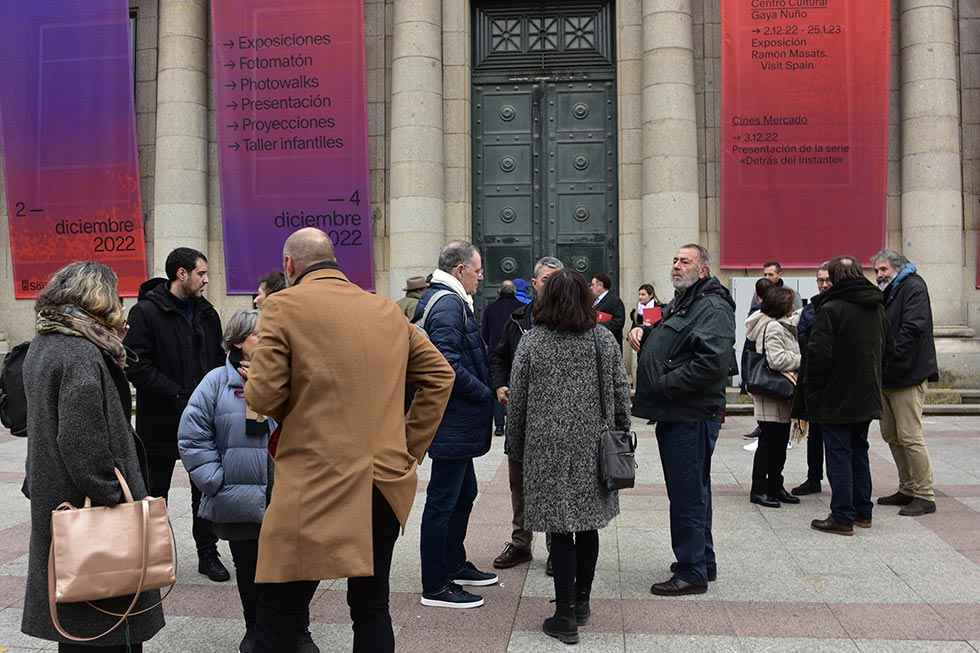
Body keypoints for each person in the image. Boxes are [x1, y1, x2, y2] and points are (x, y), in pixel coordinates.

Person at [245, 228, 454, 652]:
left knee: (281, 606)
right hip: (381, 480)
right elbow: (440, 376)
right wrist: (407, 447)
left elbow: (263, 397)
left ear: (289, 266)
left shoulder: (283, 306)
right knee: (371, 605)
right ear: (335, 261)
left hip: (314, 480)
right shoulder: (385, 310)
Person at [21, 262, 165, 652]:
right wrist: (115, 499)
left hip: (58, 498)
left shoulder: (44, 344)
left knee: (79, 618)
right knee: (106, 620)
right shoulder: (81, 353)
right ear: (97, 298)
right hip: (89, 511)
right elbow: (81, 442)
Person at [178, 310, 316, 653]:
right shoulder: (215, 383)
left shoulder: (289, 378)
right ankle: (254, 629)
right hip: (240, 497)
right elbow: (192, 437)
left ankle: (299, 630)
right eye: (259, 335)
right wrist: (216, 480)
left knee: (298, 566)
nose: (269, 340)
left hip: (287, 492)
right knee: (249, 568)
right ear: (238, 342)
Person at [506, 269, 629, 644]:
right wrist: (621, 430)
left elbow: (518, 403)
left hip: (546, 450)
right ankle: (581, 603)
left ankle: (563, 616)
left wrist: (515, 447)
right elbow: (622, 391)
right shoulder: (602, 340)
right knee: (588, 524)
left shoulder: (532, 343)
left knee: (559, 530)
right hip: (593, 447)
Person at [629, 244, 736, 595]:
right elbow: (675, 342)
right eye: (674, 260)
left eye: (684, 261)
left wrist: (663, 384)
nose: (676, 266)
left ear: (703, 269)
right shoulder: (686, 302)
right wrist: (643, 335)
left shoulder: (712, 306)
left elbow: (711, 362)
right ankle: (702, 558)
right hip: (678, 411)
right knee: (693, 489)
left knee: (687, 492)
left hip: (690, 413)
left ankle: (692, 570)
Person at [124, 247, 229, 582]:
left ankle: (207, 553)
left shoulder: (207, 313)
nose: (206, 280)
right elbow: (135, 365)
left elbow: (215, 360)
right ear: (181, 274)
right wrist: (178, 394)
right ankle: (152, 557)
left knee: (206, 486)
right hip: (161, 418)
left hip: (203, 418)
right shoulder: (146, 313)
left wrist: (213, 396)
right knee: (156, 490)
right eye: (201, 273)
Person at [414, 241, 498, 608]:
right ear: (461, 269)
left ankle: (454, 562)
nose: (482, 276)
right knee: (442, 502)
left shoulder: (449, 300)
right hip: (452, 419)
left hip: (456, 420)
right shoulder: (448, 304)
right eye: (478, 269)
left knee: (463, 494)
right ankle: (436, 584)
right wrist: (483, 391)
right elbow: (444, 363)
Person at [489, 256, 564, 572]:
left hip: (557, 418)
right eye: (545, 279)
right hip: (521, 417)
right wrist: (500, 385)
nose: (550, 285)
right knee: (518, 482)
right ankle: (521, 542)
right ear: (534, 283)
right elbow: (498, 357)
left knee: (554, 482)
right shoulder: (517, 319)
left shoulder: (574, 321)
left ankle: (556, 547)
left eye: (556, 279)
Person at [805, 256, 887, 536]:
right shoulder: (876, 305)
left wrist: (812, 390)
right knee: (859, 450)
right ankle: (863, 511)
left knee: (838, 454)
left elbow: (818, 354)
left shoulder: (832, 308)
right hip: (866, 392)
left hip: (836, 394)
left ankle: (842, 516)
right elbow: (885, 346)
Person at [872, 250, 939, 516]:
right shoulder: (891, 290)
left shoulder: (913, 286)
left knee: (910, 436)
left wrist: (890, 355)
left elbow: (913, 327)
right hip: (888, 375)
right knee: (891, 434)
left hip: (908, 374)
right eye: (876, 271)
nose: (879, 275)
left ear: (898, 268)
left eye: (884, 270)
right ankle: (907, 487)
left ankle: (925, 494)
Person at [745, 286, 801, 508]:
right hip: (774, 391)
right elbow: (776, 360)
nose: (794, 306)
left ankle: (775, 486)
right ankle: (759, 489)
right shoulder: (774, 326)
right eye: (791, 302)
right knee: (769, 444)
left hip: (776, 392)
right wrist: (802, 358)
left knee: (777, 443)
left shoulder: (774, 323)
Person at [790, 262, 832, 496]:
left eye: (827, 279)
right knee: (814, 434)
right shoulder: (811, 307)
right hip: (812, 378)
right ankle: (813, 477)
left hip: (835, 381)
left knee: (837, 437)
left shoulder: (840, 306)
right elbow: (803, 336)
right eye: (820, 280)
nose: (823, 284)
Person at [480, 280, 523, 436]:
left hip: (495, 353)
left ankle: (499, 425)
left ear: (499, 292)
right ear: (514, 291)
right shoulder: (521, 309)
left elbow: (484, 332)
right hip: (517, 352)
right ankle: (515, 423)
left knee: (498, 386)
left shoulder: (490, 309)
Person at [740, 278, 774, 453]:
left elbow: (750, 346)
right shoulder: (774, 314)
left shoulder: (758, 316)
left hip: (763, 367)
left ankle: (765, 437)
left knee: (767, 410)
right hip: (768, 368)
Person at [591, 273, 626, 348]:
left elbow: (618, 322)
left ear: (600, 285)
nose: (591, 287)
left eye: (593, 285)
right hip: (595, 343)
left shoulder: (614, 300)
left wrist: (598, 326)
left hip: (609, 344)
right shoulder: (593, 300)